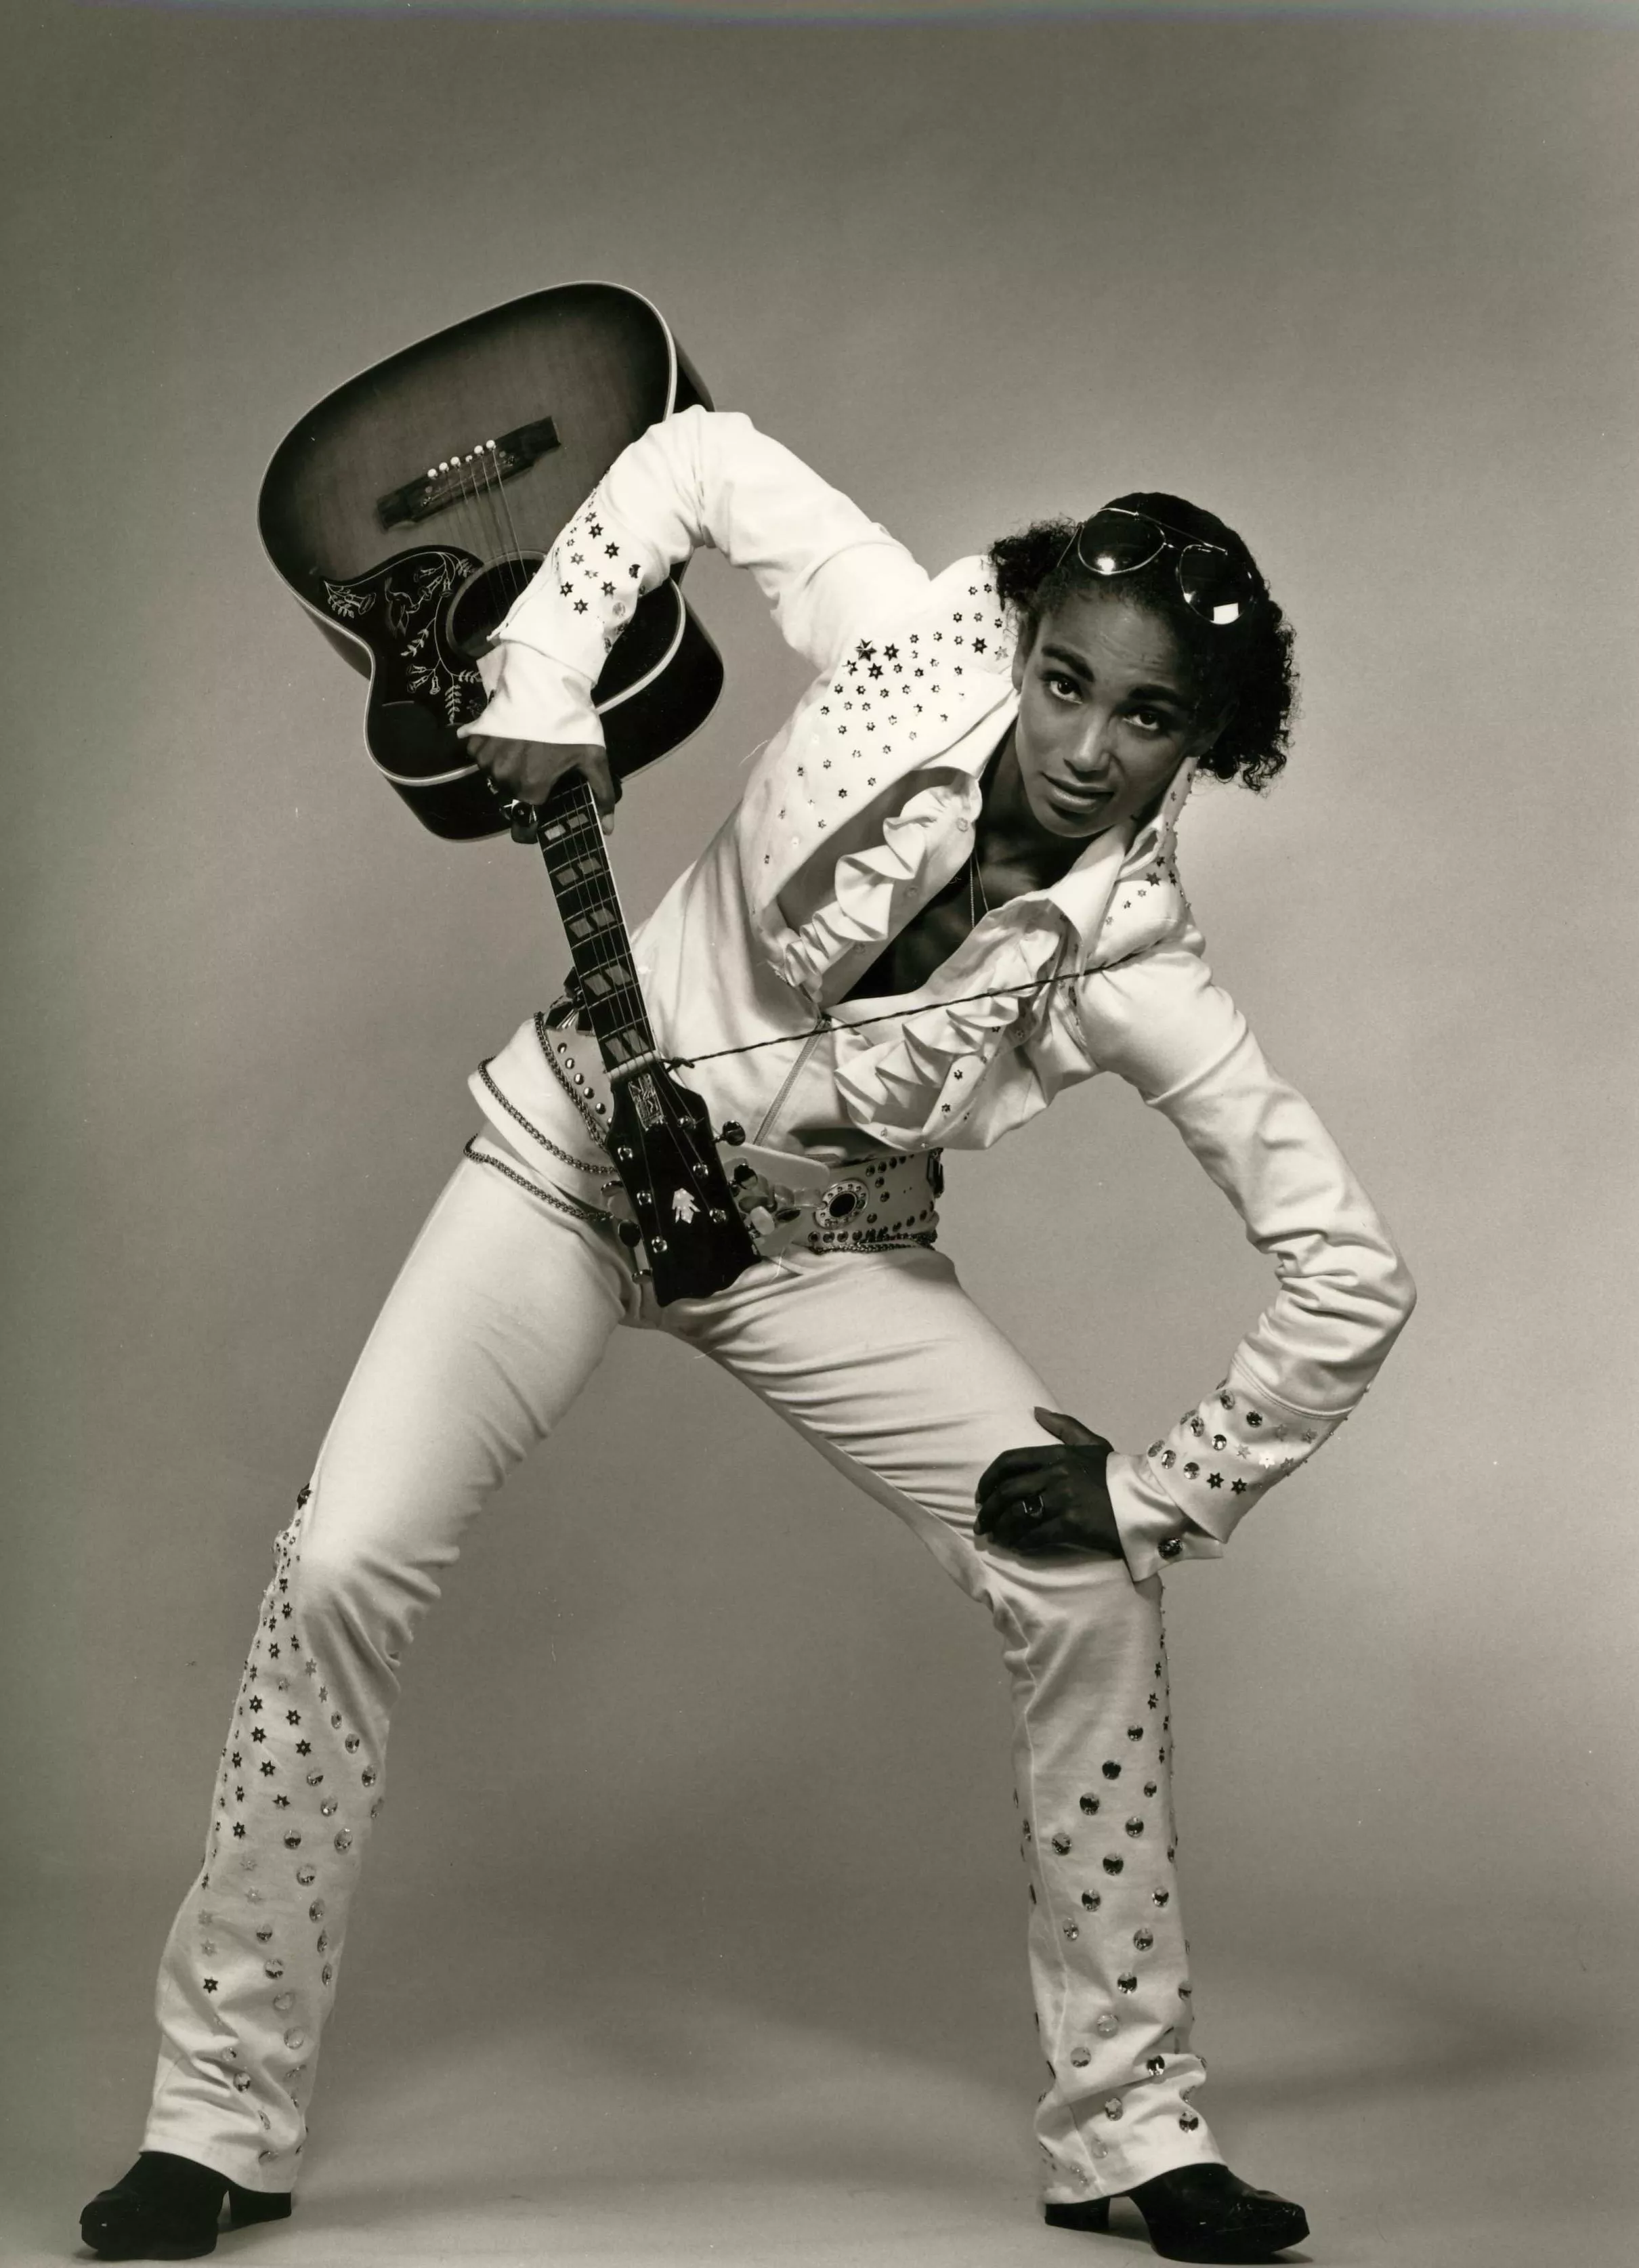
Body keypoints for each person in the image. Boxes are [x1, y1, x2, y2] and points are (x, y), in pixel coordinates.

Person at [82, 407, 1414, 2265]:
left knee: (1092, 1595)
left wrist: (1160, 1490)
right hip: (566, 1169)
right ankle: (217, 2118)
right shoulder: (904, 638)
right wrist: (545, 668)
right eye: (1064, 682)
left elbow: (1348, 1271)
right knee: (344, 1562)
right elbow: (694, 456)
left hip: (814, 1253)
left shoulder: (1139, 964)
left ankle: (1130, 2127)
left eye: (1147, 718)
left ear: (1206, 742)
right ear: (1021, 639)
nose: (1084, 746)